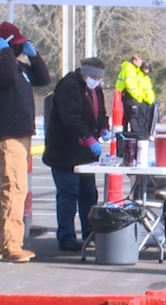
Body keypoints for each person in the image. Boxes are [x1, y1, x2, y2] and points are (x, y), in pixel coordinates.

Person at [0, 21, 50, 263]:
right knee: (15, 189)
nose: (18, 50)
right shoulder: (1, 67)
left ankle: (0, 242)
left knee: (11, 189)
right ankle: (11, 245)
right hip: (8, 135)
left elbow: (43, 78)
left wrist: (34, 55)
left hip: (20, 135)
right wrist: (5, 51)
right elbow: (5, 77)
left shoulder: (18, 68)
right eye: (15, 46)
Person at [43, 58, 110, 251]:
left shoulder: (95, 89)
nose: (96, 80)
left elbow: (100, 113)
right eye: (94, 76)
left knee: (89, 194)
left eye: (99, 78)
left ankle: (90, 232)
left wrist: (103, 129)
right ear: (85, 73)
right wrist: (87, 137)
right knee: (68, 194)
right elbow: (71, 118)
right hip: (65, 152)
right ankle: (66, 237)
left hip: (85, 155)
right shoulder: (69, 86)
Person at [115, 54, 152, 133]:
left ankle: (125, 132)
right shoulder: (130, 70)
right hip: (129, 95)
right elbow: (131, 86)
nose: (140, 63)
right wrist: (138, 96)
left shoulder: (134, 69)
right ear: (134, 61)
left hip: (127, 94)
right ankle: (135, 133)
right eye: (139, 61)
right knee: (133, 114)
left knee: (128, 114)